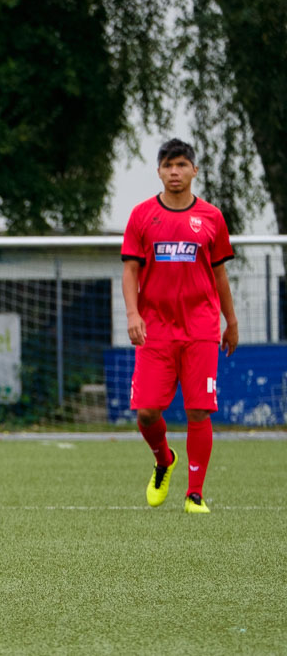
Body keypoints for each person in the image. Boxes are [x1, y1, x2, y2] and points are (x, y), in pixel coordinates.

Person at [121, 138, 237, 514]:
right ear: (159, 171)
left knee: (199, 411)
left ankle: (195, 494)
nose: (175, 172)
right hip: (154, 329)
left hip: (200, 328)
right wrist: (132, 313)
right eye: (168, 165)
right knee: (147, 412)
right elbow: (129, 271)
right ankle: (163, 459)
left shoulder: (212, 218)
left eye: (182, 165)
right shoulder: (141, 216)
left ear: (194, 170)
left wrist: (230, 320)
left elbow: (219, 273)